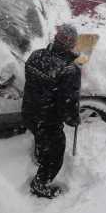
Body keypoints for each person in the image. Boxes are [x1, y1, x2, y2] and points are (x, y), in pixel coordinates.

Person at [21, 24, 81, 198]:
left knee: (40, 137)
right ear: (70, 44)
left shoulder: (36, 56)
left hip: (30, 113)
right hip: (49, 119)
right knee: (55, 153)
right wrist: (73, 119)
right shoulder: (69, 70)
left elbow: (34, 83)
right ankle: (40, 184)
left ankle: (40, 154)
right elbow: (67, 102)